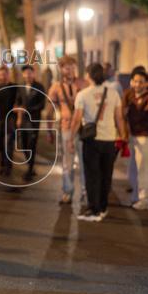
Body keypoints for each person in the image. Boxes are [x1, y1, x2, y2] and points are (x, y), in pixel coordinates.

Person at [73, 62, 125, 221]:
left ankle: (93, 208)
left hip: (92, 140)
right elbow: (119, 117)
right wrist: (122, 136)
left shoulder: (83, 94)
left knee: (92, 174)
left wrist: (70, 139)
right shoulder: (113, 93)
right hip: (110, 139)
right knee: (106, 175)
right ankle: (103, 207)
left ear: (89, 75)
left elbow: (77, 119)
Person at [49, 56, 87, 205]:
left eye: (72, 66)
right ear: (61, 69)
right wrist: (51, 128)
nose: (70, 70)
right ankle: (67, 192)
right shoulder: (56, 87)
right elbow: (51, 108)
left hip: (83, 128)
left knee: (85, 162)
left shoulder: (84, 84)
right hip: (65, 128)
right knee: (67, 163)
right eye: (66, 67)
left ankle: (86, 192)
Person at [124, 67, 148, 210]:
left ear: (146, 83)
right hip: (133, 136)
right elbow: (122, 113)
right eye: (135, 81)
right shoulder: (128, 94)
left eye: (141, 82)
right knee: (133, 169)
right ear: (131, 81)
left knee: (144, 169)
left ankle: (145, 200)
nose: (138, 84)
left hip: (147, 136)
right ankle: (136, 197)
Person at [15, 64, 46, 181]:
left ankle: (30, 169)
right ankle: (30, 166)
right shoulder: (21, 87)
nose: (27, 75)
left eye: (29, 72)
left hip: (34, 121)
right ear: (23, 75)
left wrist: (28, 110)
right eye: (25, 73)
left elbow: (42, 105)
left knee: (31, 145)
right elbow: (18, 102)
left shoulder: (39, 87)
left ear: (34, 74)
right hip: (23, 121)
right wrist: (18, 116)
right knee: (23, 145)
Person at [0, 66, 18, 178]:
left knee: (8, 144)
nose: (2, 76)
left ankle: (7, 167)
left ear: (8, 74)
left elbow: (18, 102)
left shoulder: (14, 87)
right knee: (0, 144)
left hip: (10, 119)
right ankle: (2, 163)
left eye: (4, 74)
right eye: (0, 74)